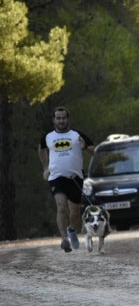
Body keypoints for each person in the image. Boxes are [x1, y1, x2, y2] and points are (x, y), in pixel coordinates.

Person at [38, 106, 94, 252]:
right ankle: (64, 238)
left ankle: (71, 230)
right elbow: (41, 149)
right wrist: (45, 167)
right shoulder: (48, 136)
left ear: (68, 119)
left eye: (63, 118)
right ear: (54, 120)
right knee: (61, 206)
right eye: (58, 118)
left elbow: (94, 152)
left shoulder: (77, 135)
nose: (61, 120)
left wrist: (85, 147)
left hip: (75, 177)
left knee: (74, 212)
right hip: (56, 177)